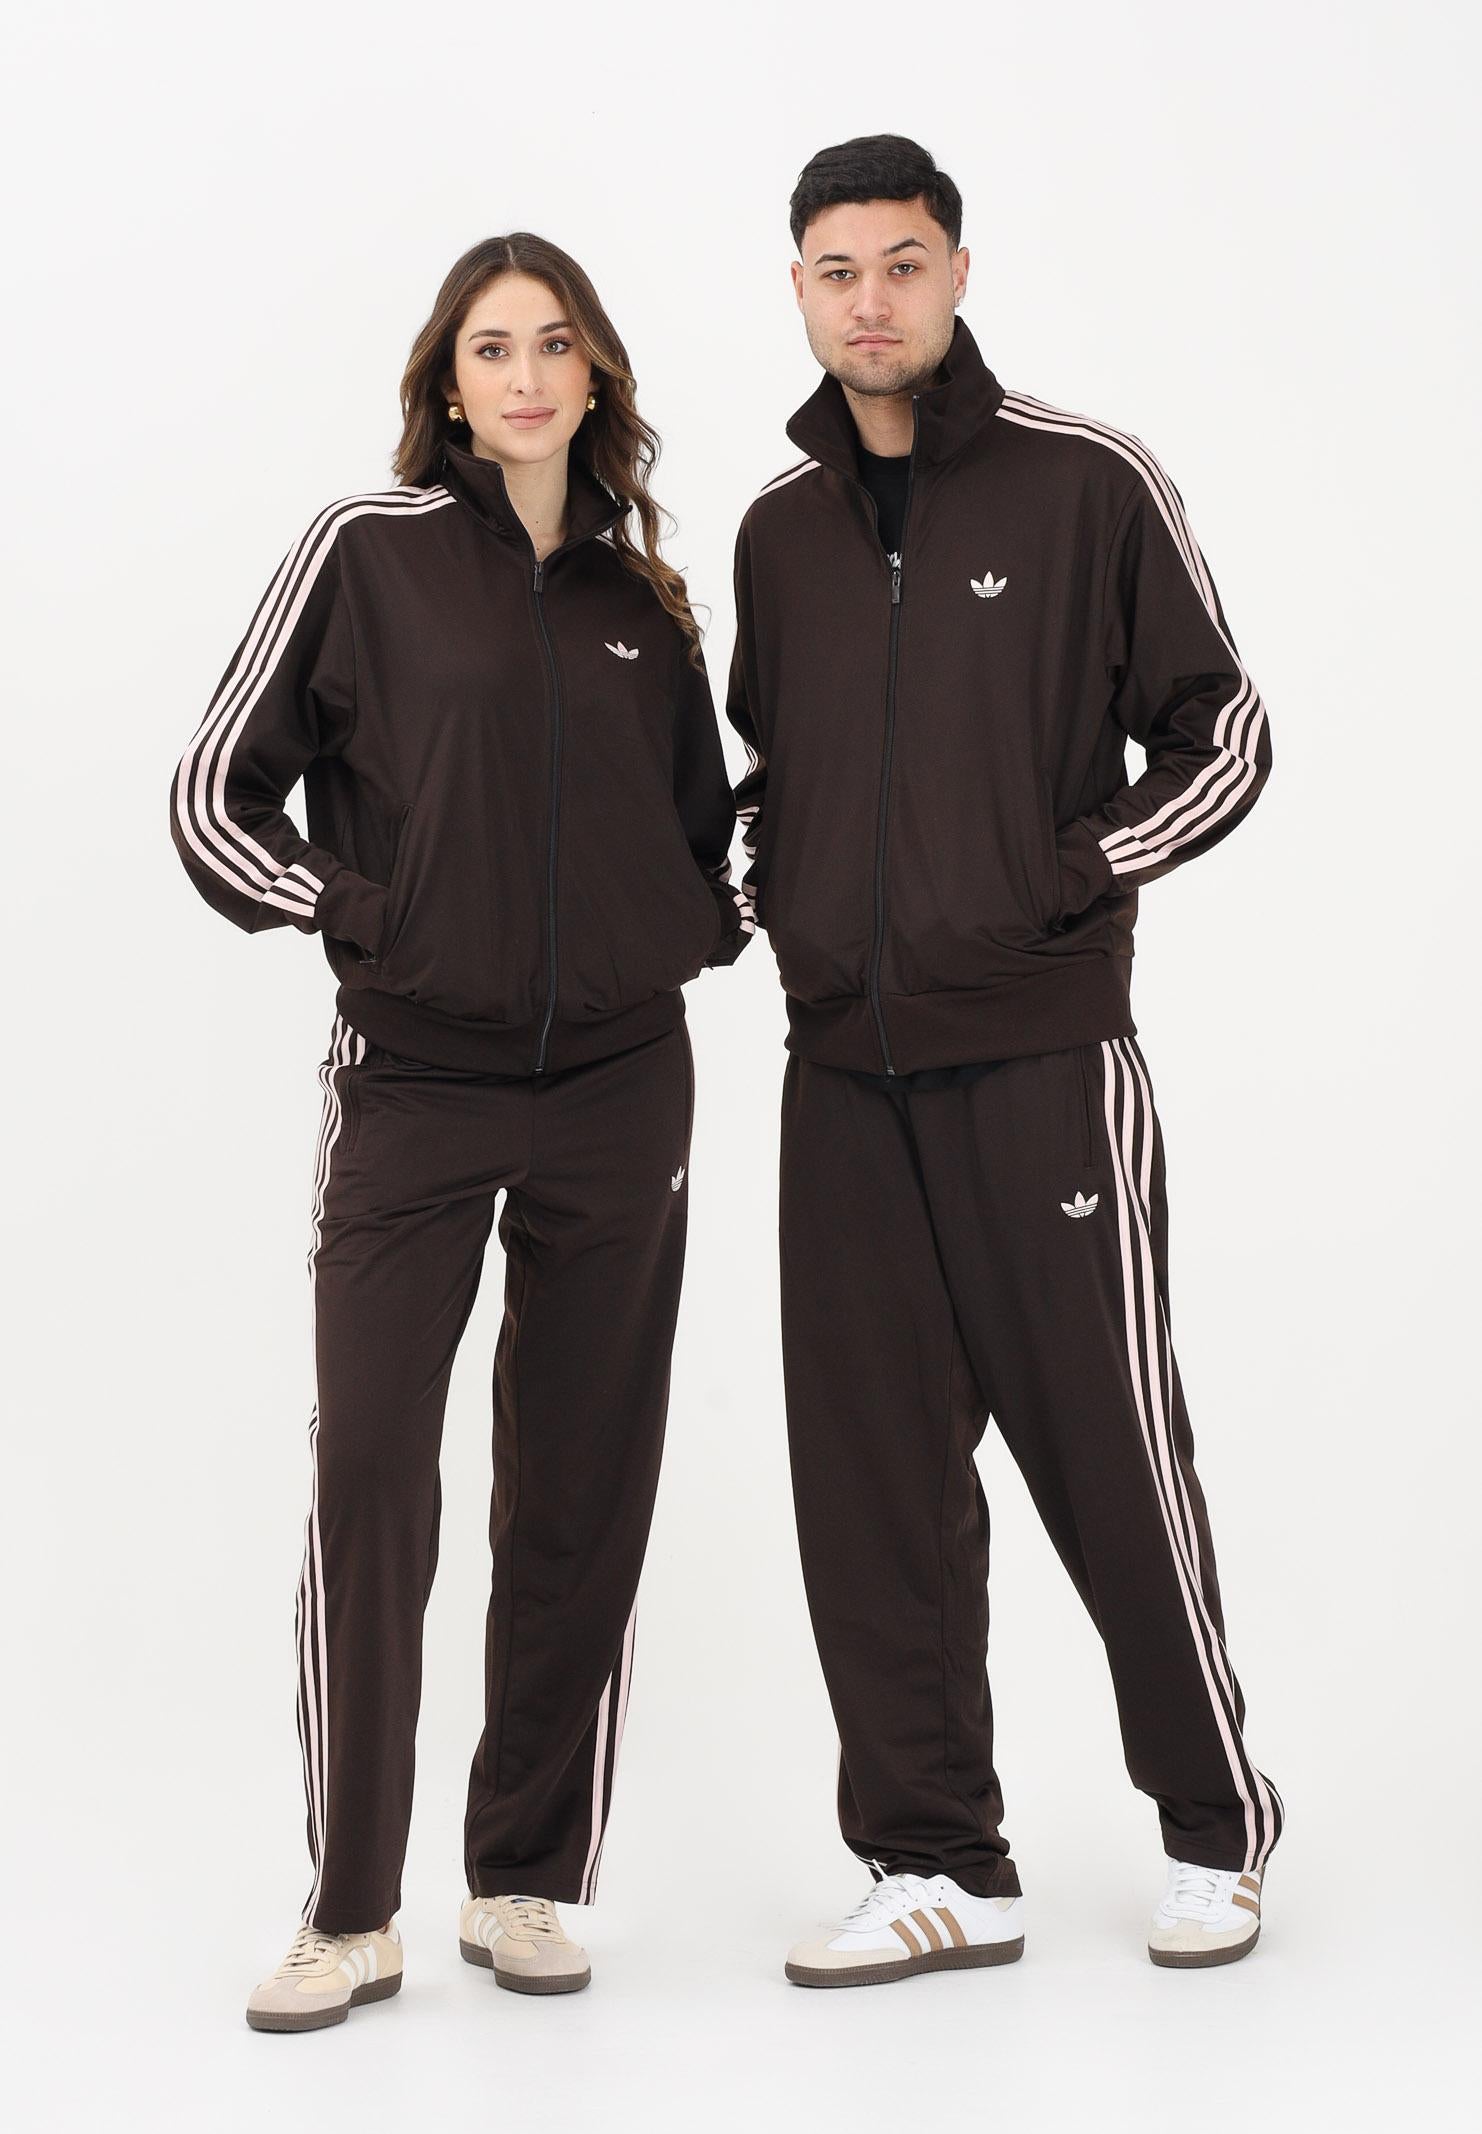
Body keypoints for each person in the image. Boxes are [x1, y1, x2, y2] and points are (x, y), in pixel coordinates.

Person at [171, 232, 750, 2031]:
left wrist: (689, 924)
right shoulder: (367, 555)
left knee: (580, 1484)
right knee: (374, 1477)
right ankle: (349, 1908)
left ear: (595, 375)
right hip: (415, 1084)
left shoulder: (644, 602)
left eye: (553, 345)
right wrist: (370, 916)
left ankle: (523, 1876)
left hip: (621, 1089)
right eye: (490, 348)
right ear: (445, 380)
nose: (524, 376)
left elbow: (703, 831)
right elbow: (211, 798)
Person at [726, 135, 1283, 1985]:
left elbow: (1221, 731)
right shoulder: (779, 531)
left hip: (1042, 1061)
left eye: (900, 263)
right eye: (835, 271)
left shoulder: (1080, 482)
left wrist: (1054, 876)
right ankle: (935, 1857)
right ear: (798, 292)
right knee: (871, 1483)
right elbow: (773, 775)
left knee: (1108, 1450)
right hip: (839, 1078)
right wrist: (775, 899)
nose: (869, 300)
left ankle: (1213, 1827)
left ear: (956, 272)